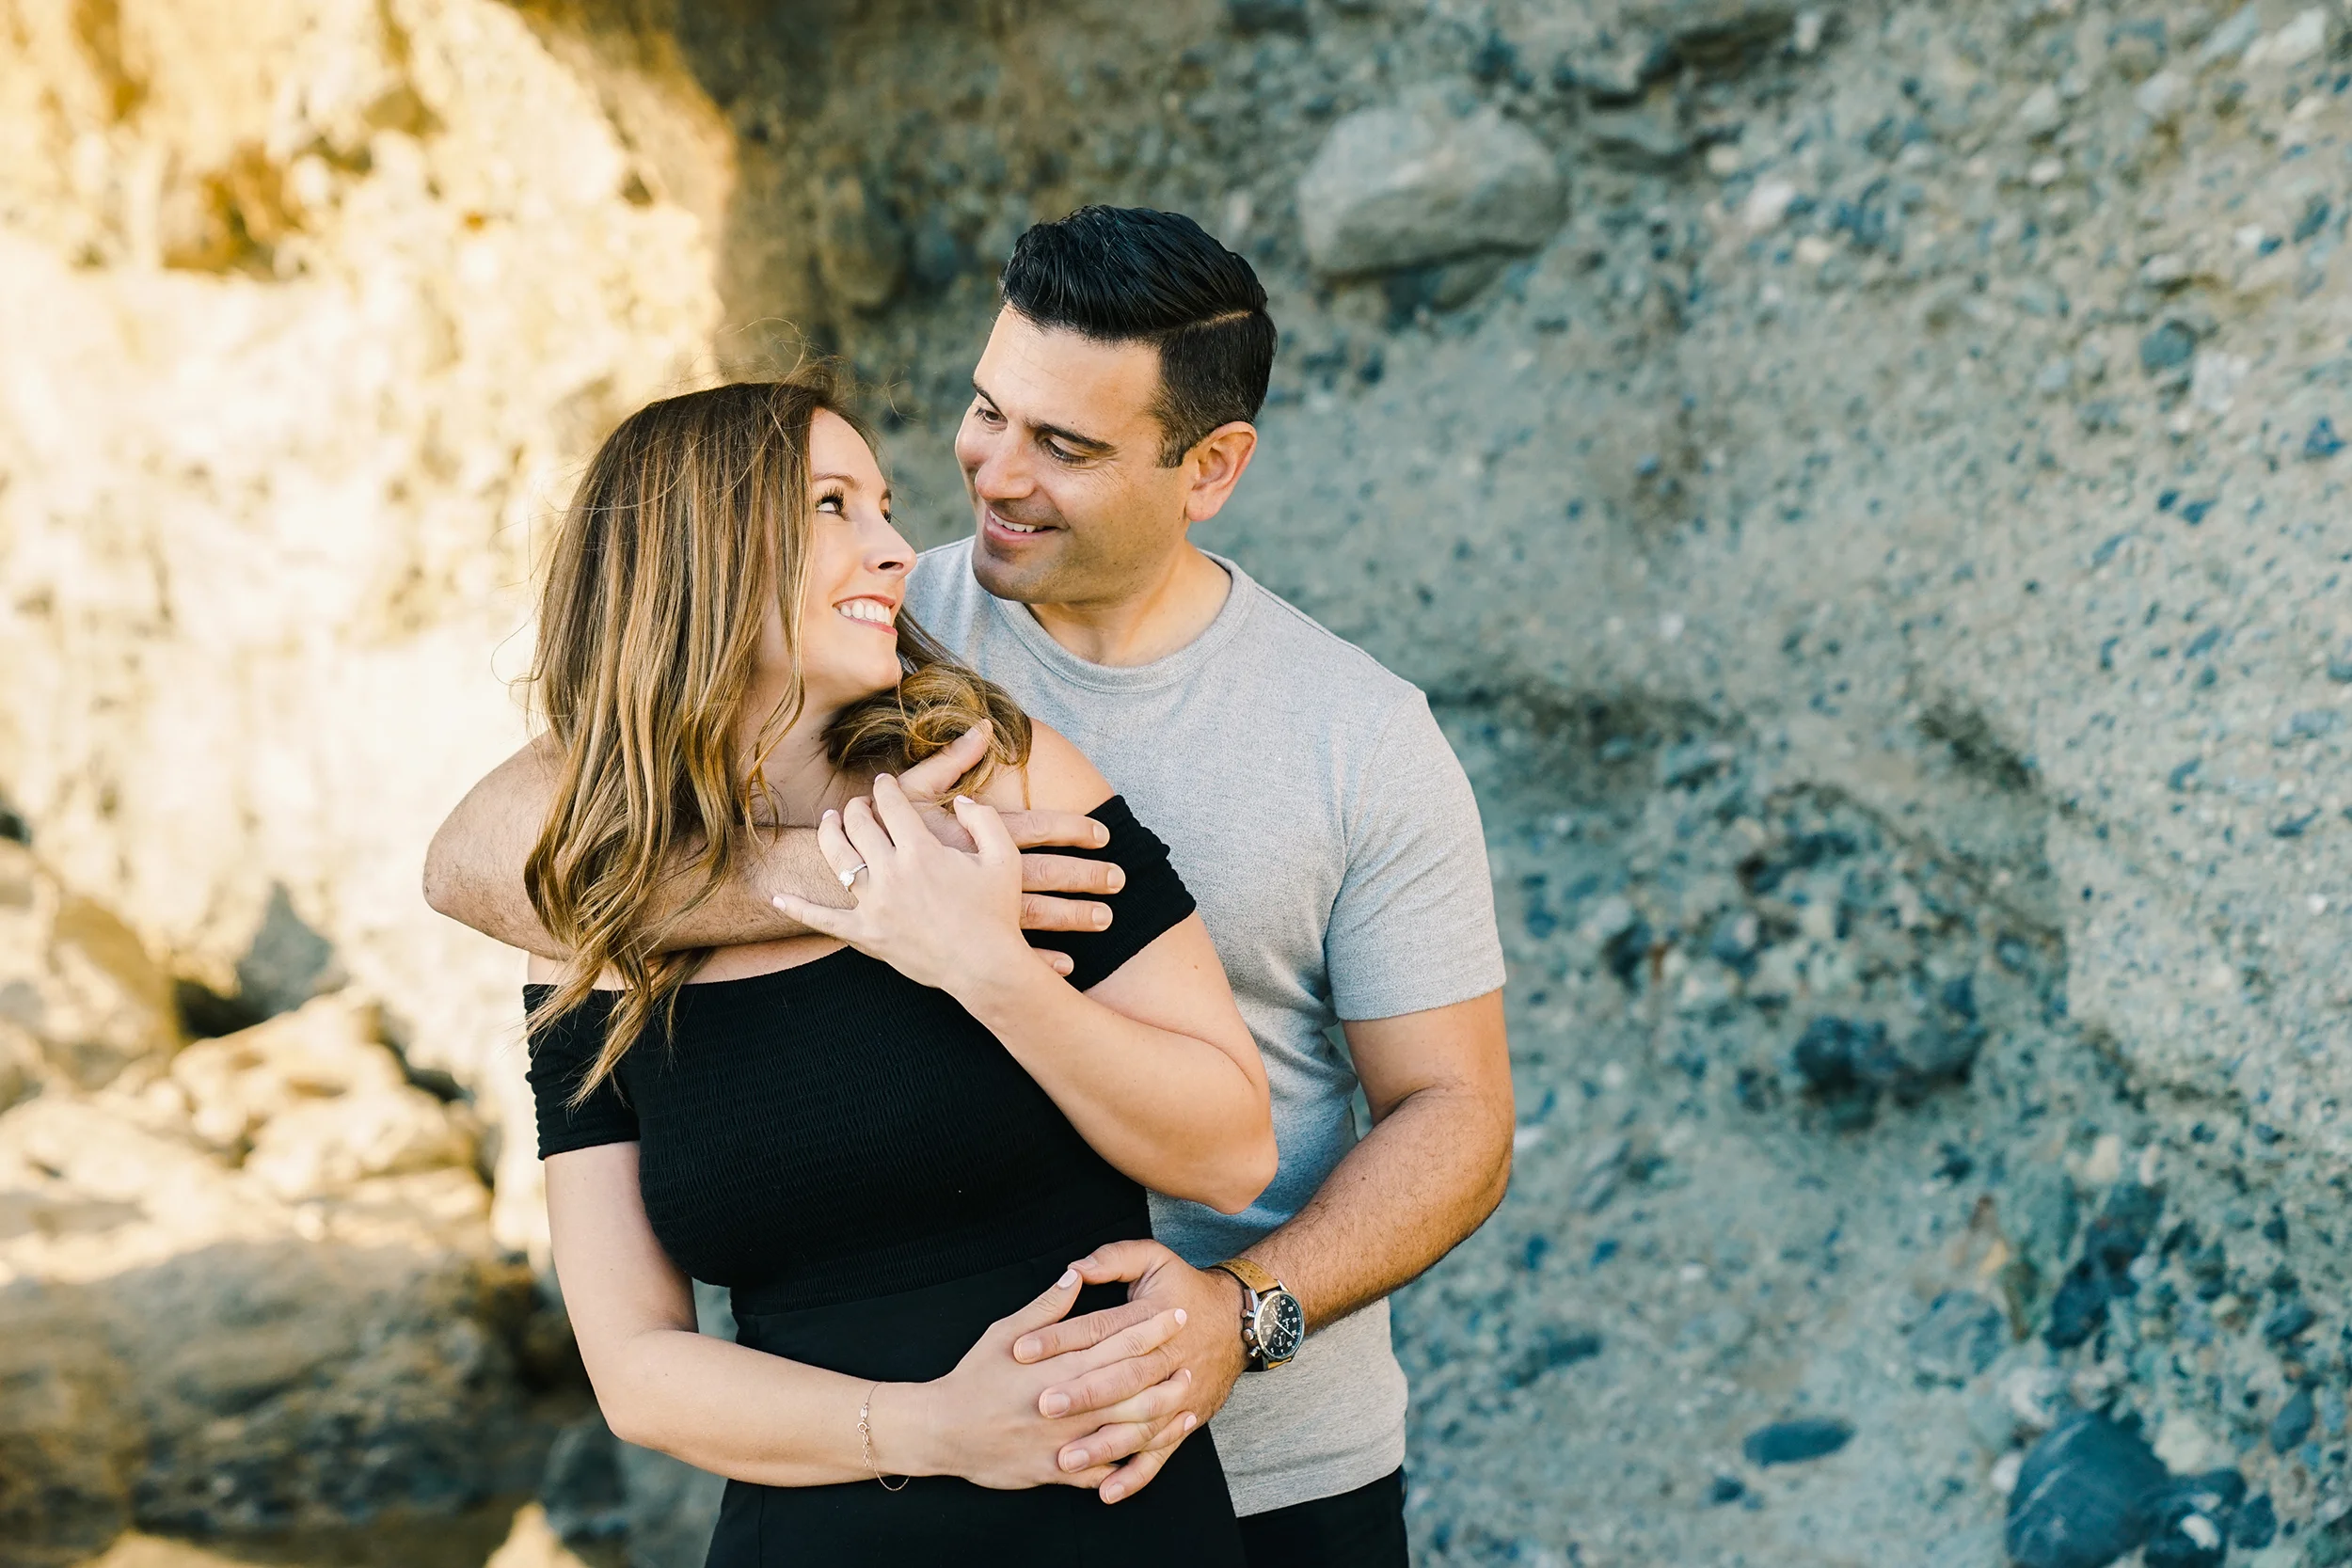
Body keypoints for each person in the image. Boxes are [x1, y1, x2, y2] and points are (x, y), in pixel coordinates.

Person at [426, 205, 1514, 1565]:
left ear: (1209, 465)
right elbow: (485, 854)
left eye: (1063, 445)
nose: (992, 473)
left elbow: (1456, 1113)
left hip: (1270, 1453)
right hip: (862, 1478)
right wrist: (858, 875)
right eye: (988, 408)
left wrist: (1247, 1310)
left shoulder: (1348, 735)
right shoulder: (887, 636)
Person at [443, 370, 1279, 1561]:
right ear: (701, 557)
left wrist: (984, 964)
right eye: (833, 506)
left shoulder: (1004, 787)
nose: (895, 546)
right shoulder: (593, 924)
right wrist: (937, 1427)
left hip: (1107, 1517)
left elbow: (1231, 1149)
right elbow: (634, 1367)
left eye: (882, 503)